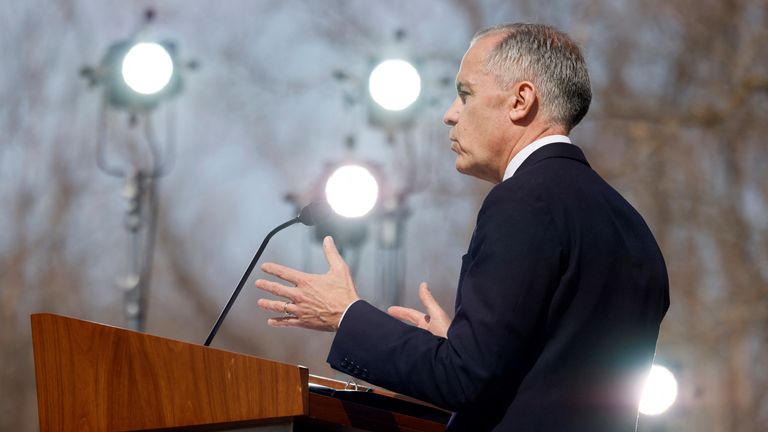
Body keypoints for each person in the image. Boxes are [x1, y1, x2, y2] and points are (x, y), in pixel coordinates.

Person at [255, 23, 669, 431]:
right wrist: (462, 344)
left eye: (465, 94)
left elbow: (463, 379)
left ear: (520, 100)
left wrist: (345, 315)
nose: (449, 115)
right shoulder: (634, 229)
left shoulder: (523, 201)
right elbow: (544, 372)